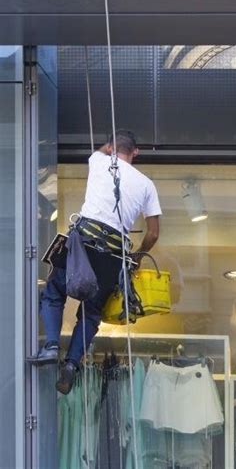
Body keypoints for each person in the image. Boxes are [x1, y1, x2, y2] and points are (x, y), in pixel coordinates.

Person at [28, 130, 162, 393]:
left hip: (83, 241)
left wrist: (109, 146)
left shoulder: (99, 161)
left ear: (112, 148)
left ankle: (52, 345)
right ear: (136, 152)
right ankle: (71, 366)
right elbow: (154, 233)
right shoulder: (147, 184)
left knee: (54, 292)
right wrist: (136, 256)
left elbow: (104, 150)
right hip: (113, 253)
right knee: (90, 313)